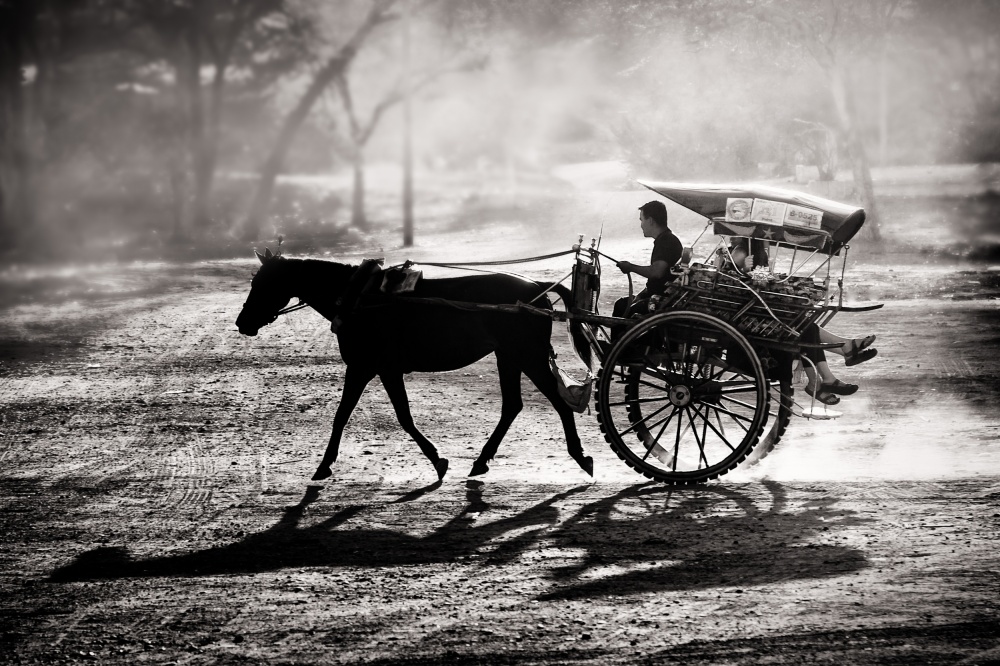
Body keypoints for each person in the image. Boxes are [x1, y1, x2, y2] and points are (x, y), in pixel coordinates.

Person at [724, 238, 876, 404]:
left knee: (804, 325)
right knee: (804, 327)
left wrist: (765, 277)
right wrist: (746, 269)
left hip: (759, 311)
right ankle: (835, 362)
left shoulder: (755, 249)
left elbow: (760, 279)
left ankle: (827, 373)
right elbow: (732, 281)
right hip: (749, 317)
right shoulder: (740, 251)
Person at [613, 200, 683, 317]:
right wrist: (640, 296)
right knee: (621, 304)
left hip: (661, 302)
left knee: (625, 310)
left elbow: (657, 272)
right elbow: (656, 282)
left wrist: (630, 267)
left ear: (650, 220)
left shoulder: (666, 241)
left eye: (641, 220)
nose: (641, 225)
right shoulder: (665, 239)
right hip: (656, 296)